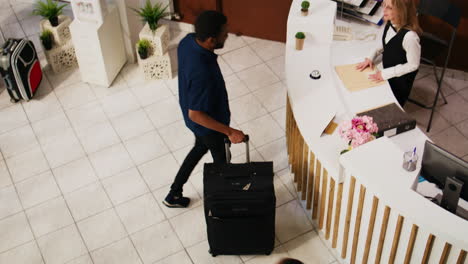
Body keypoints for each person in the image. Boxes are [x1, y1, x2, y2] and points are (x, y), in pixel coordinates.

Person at [163, 10, 246, 208]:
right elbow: (197, 114)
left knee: (199, 148)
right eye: (223, 34)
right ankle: (224, 203)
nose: (227, 35)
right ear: (210, 40)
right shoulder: (203, 72)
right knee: (222, 161)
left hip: (197, 120)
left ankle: (174, 193)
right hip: (208, 124)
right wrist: (230, 131)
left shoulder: (188, 41)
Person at [356, 0, 422, 106]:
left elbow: (413, 65)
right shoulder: (391, 22)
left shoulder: (410, 37)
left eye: (389, 8)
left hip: (399, 81)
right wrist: (370, 57)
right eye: (384, 5)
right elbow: (386, 42)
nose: (384, 10)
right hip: (386, 72)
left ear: (401, 11)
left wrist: (385, 74)